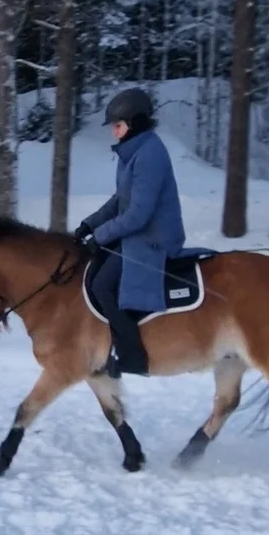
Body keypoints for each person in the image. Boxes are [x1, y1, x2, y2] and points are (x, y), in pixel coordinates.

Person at [74, 87, 186, 377]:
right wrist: (90, 224)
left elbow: (138, 214)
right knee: (93, 272)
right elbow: (119, 201)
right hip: (136, 234)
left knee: (101, 285)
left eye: (118, 125)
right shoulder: (133, 153)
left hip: (154, 238)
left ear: (134, 123)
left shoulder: (150, 154)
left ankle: (133, 356)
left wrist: (99, 238)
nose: (114, 132)